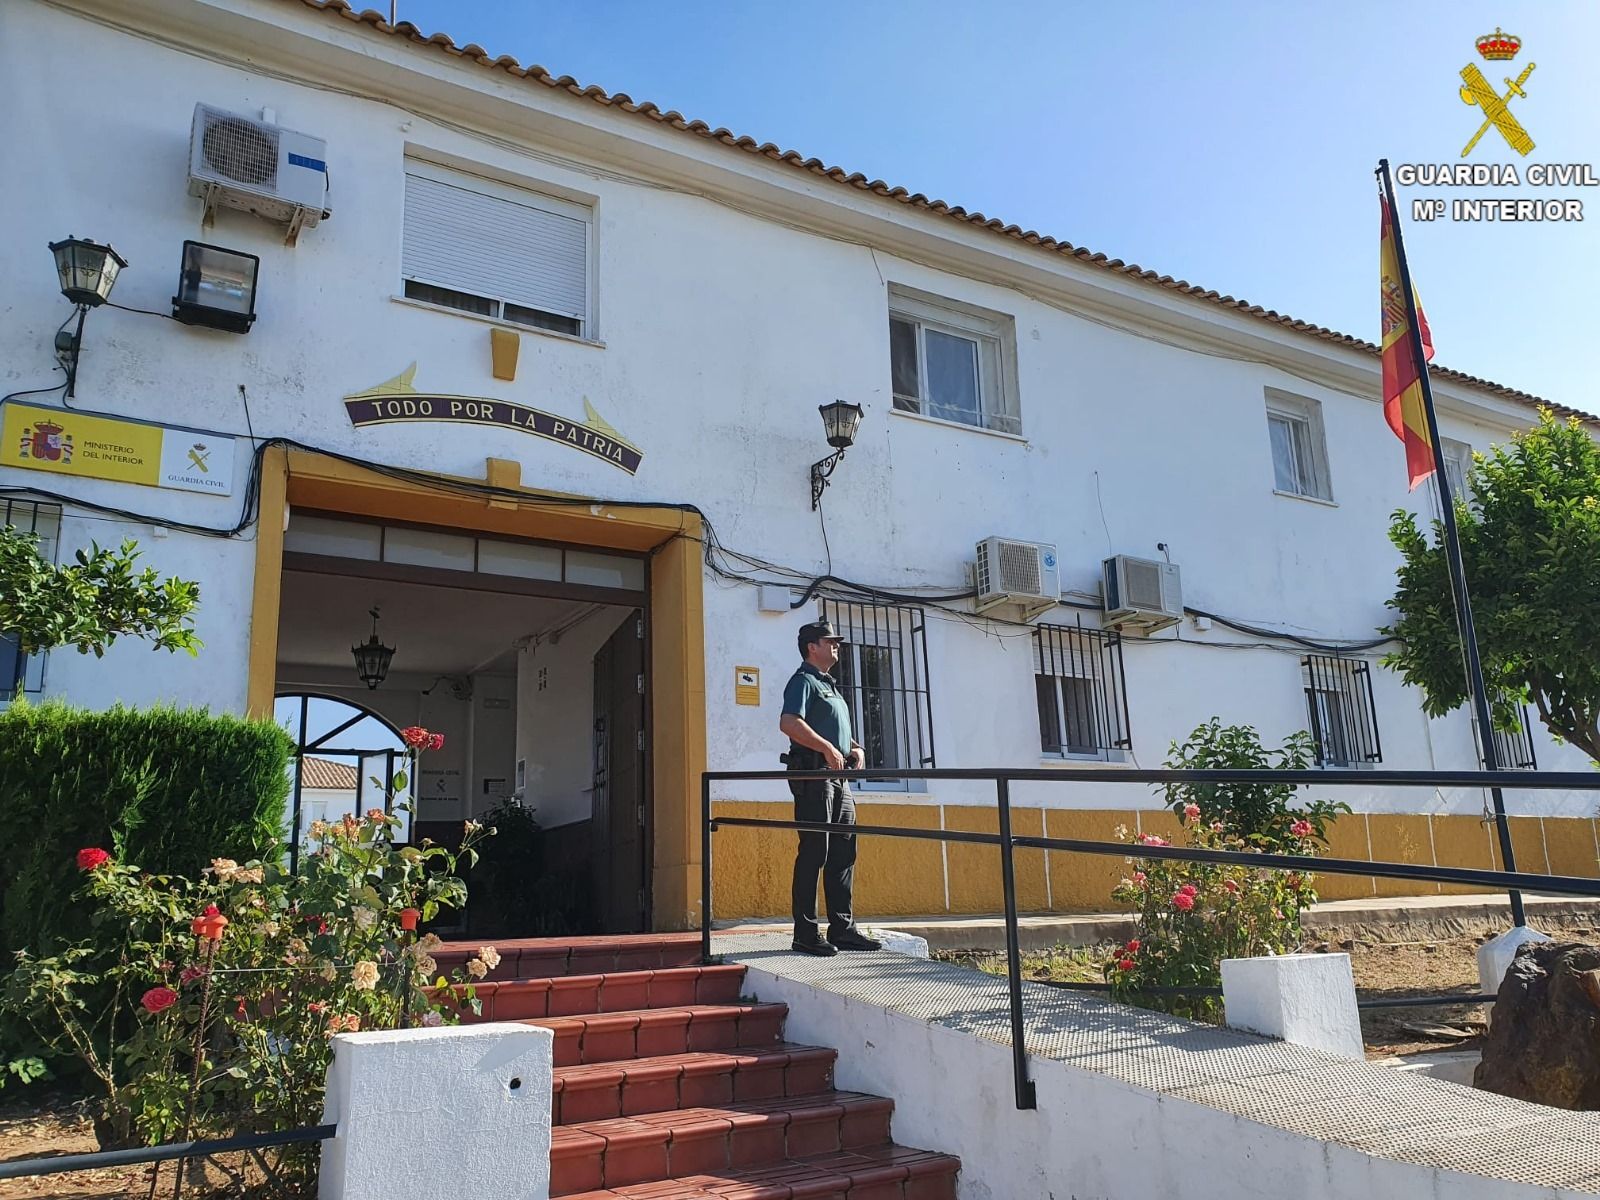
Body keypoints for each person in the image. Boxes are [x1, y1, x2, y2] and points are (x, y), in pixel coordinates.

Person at [779, 620, 882, 956]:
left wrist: (855, 747)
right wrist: (825, 748)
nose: (836, 645)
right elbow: (789, 722)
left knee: (843, 852)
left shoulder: (830, 686)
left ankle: (843, 928)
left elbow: (834, 729)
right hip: (814, 775)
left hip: (837, 778)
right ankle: (805, 933)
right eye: (830, 640)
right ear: (812, 646)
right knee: (815, 852)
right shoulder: (803, 681)